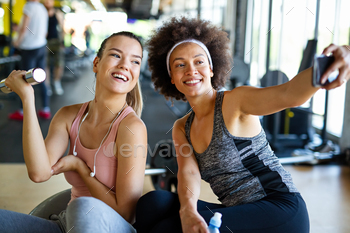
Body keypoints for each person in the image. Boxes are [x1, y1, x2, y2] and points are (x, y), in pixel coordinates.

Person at [133, 17, 350, 233]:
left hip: (279, 209)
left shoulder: (235, 101)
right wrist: (188, 211)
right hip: (239, 212)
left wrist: (335, 60)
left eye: (199, 62)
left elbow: (289, 93)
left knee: (167, 229)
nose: (191, 70)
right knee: (152, 204)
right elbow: (188, 174)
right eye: (180, 65)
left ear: (211, 68)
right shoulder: (183, 127)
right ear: (171, 77)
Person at [0, 31, 147, 233]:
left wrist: (81, 168)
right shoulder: (68, 116)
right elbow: (39, 172)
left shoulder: (132, 128)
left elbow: (126, 214)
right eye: (116, 55)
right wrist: (27, 99)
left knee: (83, 206)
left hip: (109, 228)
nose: (125, 65)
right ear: (96, 63)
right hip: (67, 225)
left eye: (135, 61)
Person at [10, 0, 51, 120]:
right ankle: (45, 109)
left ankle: (23, 112)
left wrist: (16, 43)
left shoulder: (28, 6)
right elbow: (45, 32)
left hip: (29, 47)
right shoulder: (43, 9)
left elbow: (23, 28)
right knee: (41, 77)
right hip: (41, 47)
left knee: (25, 79)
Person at [43, 0, 65, 96]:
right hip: (45, 42)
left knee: (59, 64)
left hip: (56, 41)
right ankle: (47, 86)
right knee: (45, 65)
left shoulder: (57, 13)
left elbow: (62, 28)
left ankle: (56, 82)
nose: (47, 2)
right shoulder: (42, 13)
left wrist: (62, 41)